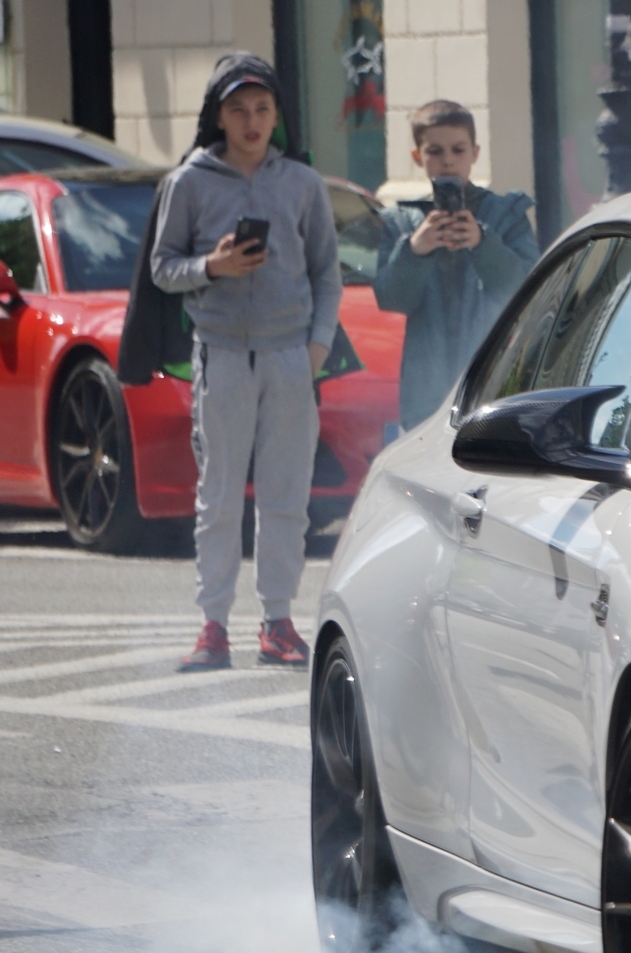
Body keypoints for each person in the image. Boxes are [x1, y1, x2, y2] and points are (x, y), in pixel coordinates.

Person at [151, 53, 342, 673]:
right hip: (223, 355)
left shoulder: (304, 185)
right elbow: (162, 268)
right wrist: (214, 266)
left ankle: (278, 623)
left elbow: (327, 275)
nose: (252, 120)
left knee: (288, 494)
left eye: (262, 109)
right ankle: (212, 628)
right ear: (219, 117)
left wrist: (315, 348)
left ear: (276, 116)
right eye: (238, 109)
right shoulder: (190, 182)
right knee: (220, 494)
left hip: (291, 357)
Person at [374, 101, 537, 433]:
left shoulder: (506, 214)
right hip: (426, 391)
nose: (447, 160)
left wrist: (482, 242)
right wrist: (414, 250)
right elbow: (391, 298)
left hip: (494, 382)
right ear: (418, 156)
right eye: (435, 151)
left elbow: (525, 291)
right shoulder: (400, 221)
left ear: (475, 153)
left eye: (458, 150)